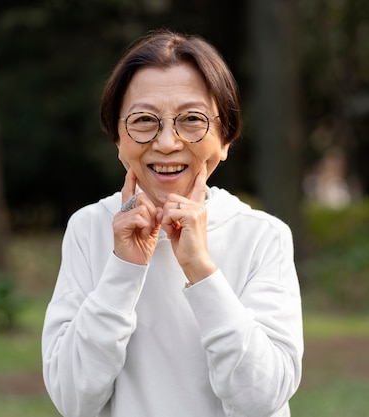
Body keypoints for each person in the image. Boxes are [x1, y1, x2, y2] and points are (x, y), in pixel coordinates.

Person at [42, 29, 303, 417]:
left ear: (226, 138)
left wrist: (201, 268)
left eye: (192, 119)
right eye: (144, 120)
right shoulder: (90, 229)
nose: (167, 142)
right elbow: (72, 399)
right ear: (117, 136)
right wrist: (123, 267)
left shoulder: (262, 236)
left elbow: (261, 398)